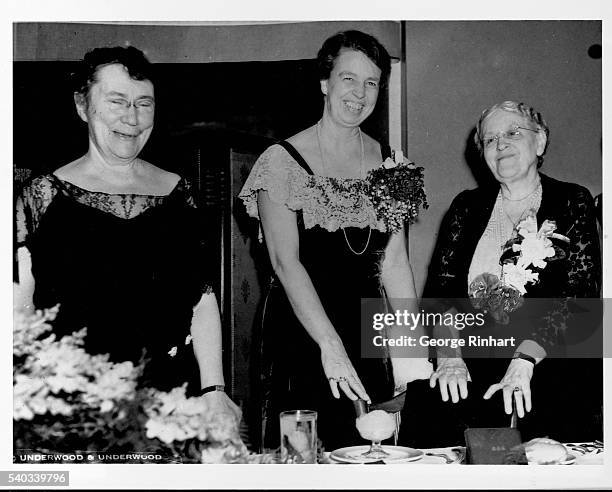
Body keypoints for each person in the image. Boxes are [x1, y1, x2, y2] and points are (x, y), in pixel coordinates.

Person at [14, 46, 240, 421]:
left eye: (144, 103)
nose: (132, 118)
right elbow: (18, 311)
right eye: (117, 101)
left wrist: (214, 390)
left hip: (169, 402)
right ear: (83, 106)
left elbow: (201, 298)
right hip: (77, 407)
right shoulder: (41, 197)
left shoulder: (179, 192)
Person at [239, 30, 432, 451]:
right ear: (325, 83)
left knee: (370, 449)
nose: (359, 93)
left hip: (366, 329)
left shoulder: (391, 163)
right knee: (302, 455)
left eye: (371, 83)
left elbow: (395, 263)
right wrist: (330, 345)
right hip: (302, 331)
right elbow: (285, 261)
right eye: (349, 78)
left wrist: (413, 358)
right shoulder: (281, 162)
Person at [399, 101, 602, 447]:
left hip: (547, 362)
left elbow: (577, 297)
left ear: (539, 142)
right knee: (430, 413)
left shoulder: (572, 200)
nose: (500, 144)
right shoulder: (466, 206)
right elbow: (440, 293)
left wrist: (523, 362)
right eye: (490, 139)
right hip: (473, 362)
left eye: (512, 133)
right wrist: (449, 358)